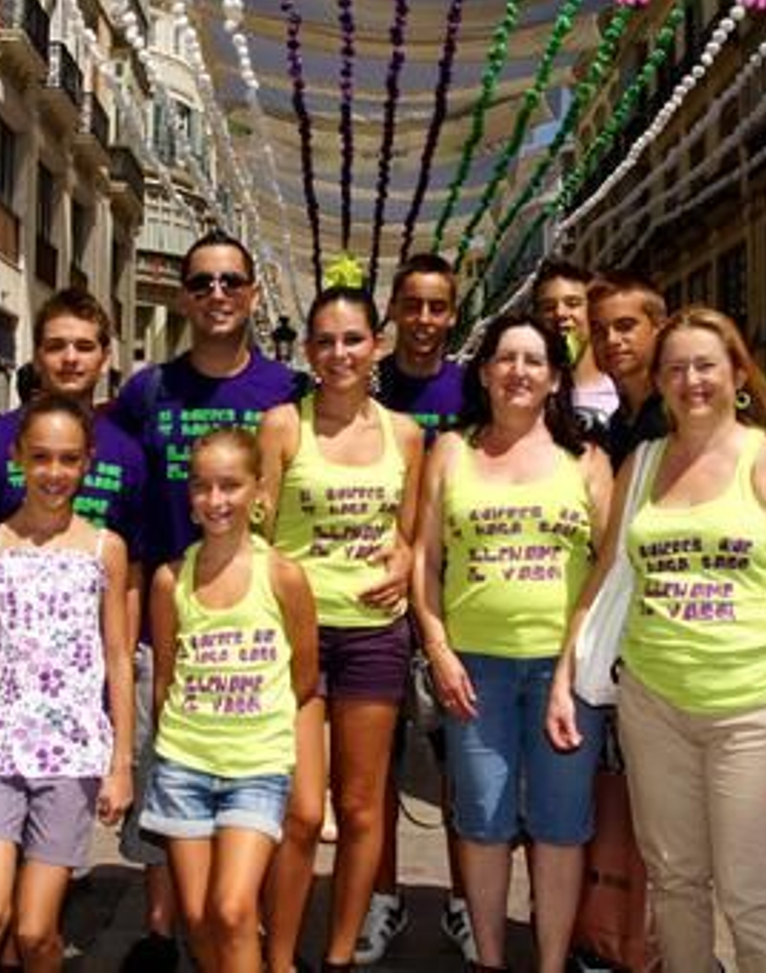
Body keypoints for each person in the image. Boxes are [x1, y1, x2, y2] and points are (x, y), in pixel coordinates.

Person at [549, 307, 766, 973]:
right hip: (654, 706)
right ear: (658, 382)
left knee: (753, 894)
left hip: (755, 708)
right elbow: (603, 577)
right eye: (675, 369)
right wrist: (566, 675)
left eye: (706, 365)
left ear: (737, 372)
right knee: (675, 882)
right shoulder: (645, 463)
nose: (692, 381)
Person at [110, 229, 303, 972]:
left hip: (255, 621)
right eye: (202, 283)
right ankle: (167, 938)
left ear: (253, 293)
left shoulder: (286, 392)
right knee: (172, 794)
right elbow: (106, 478)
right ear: (184, 296)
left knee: (232, 892)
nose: (216, 294)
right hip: (172, 609)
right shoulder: (146, 391)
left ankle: (250, 947)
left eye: (230, 281)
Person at [412, 313, 612, 972]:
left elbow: (607, 574)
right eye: (505, 358)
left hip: (566, 674)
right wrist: (438, 650)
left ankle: (551, 963)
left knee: (559, 826)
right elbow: (425, 561)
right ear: (484, 371)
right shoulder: (451, 451)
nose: (518, 371)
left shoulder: (586, 460)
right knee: (483, 821)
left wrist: (567, 671)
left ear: (555, 377)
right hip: (476, 671)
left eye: (534, 360)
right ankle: (491, 959)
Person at [0, 394, 134, 973]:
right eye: (41, 457)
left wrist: (120, 763)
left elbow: (118, 657)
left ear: (88, 462)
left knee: (36, 932)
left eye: (68, 459)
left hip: (71, 758)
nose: (54, 473)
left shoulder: (105, 550)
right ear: (18, 458)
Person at [259, 285, 423, 973]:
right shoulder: (282, 426)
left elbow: (410, 534)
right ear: (307, 351)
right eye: (324, 341)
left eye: (352, 339)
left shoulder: (406, 435)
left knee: (360, 810)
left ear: (376, 345)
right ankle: (277, 956)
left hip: (374, 633)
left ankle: (338, 955)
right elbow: (258, 535)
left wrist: (409, 557)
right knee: (300, 812)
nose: (339, 354)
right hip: (296, 633)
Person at [143, 429, 319, 973]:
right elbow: (166, 676)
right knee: (197, 917)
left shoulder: (284, 576)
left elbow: (304, 674)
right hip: (184, 765)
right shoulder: (170, 580)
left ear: (258, 492)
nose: (215, 501)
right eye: (202, 487)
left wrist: (256, 723)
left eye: (230, 486)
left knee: (234, 907)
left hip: (257, 766)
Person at [360, 253, 473, 967]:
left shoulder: (471, 389)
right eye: (413, 305)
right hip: (371, 598)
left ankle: (466, 900)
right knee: (374, 768)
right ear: (393, 310)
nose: (425, 319)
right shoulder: (366, 385)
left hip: (456, 599)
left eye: (438, 306)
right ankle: (383, 898)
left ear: (452, 314)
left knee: (459, 763)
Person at [0, 288, 145, 550]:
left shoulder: (128, 453)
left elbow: (132, 575)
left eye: (84, 347)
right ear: (37, 358)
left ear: (105, 359)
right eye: (56, 346)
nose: (70, 358)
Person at [587, 272, 668, 469]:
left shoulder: (682, 413)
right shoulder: (615, 425)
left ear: (659, 329)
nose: (611, 340)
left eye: (625, 326)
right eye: (598, 330)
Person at [534, 260, 620, 435]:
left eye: (573, 303)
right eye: (548, 307)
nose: (560, 313)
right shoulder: (526, 392)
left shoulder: (623, 389)